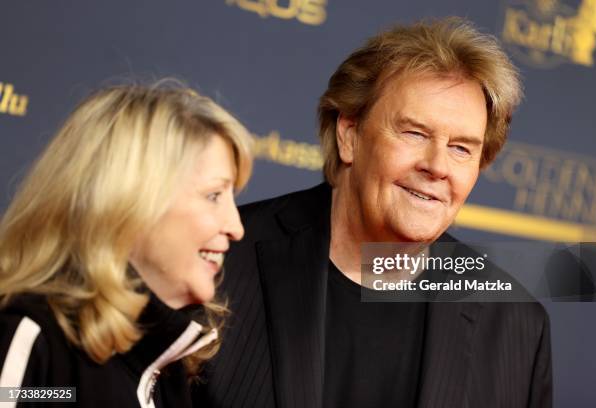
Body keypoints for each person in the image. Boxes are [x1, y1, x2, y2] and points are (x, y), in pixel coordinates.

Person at [195, 17, 552, 408]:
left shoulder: (515, 324)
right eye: (415, 133)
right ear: (349, 135)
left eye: (462, 148)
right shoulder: (216, 262)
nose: (437, 166)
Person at [0, 82, 253, 407]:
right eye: (213, 196)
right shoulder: (32, 339)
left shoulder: (168, 368)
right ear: (128, 199)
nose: (236, 227)